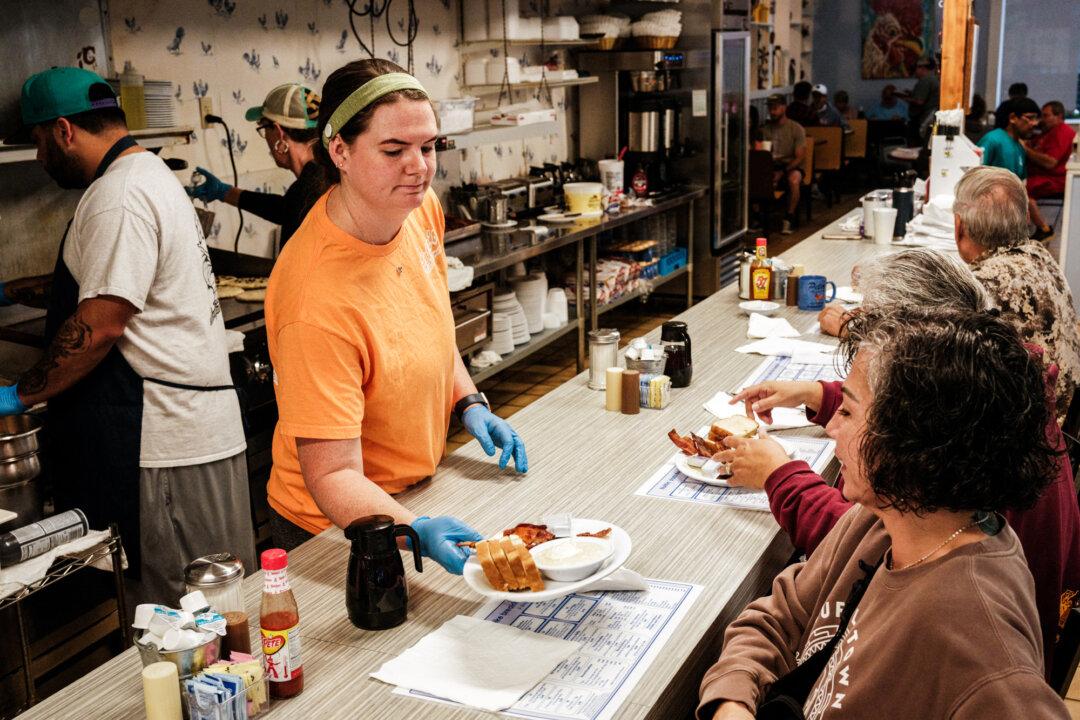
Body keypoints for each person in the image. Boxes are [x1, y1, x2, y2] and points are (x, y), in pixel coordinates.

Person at [724, 248, 1080, 679]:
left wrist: (780, 476)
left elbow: (848, 544)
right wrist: (823, 396)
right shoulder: (987, 411)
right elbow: (781, 615)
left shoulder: (969, 625)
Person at [0, 68, 254, 609]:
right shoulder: (150, 175)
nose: (41, 158)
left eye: (40, 142)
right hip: (194, 434)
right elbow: (124, 279)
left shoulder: (116, 196)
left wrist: (20, 395)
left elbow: (102, 321)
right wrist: (17, 290)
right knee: (223, 603)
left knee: (187, 612)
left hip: (165, 444)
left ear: (65, 131)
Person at [263, 59, 528, 572]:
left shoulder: (418, 207)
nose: (420, 167)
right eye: (394, 150)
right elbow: (333, 475)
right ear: (338, 149)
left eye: (428, 147)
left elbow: (427, 325)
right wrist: (413, 531)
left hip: (417, 489)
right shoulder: (314, 297)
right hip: (335, 526)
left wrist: (468, 400)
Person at [956, 166, 1080, 420]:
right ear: (1024, 217)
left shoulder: (982, 286)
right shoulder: (1038, 254)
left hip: (1032, 440)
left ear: (959, 228)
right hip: (1065, 423)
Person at [187, 83, 330, 250]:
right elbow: (285, 209)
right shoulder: (322, 175)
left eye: (263, 127)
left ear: (278, 132)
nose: (265, 137)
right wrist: (225, 192)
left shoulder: (308, 190)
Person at [1026, 100, 1077, 240]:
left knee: (1020, 188)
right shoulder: (1048, 131)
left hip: (1055, 179)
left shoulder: (1063, 132)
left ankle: (1044, 228)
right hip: (1043, 175)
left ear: (1059, 116)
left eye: (1046, 115)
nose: (1042, 119)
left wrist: (1025, 149)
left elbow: (1050, 162)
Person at [761, 94, 807, 236]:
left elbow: (800, 157)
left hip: (790, 166)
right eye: (770, 108)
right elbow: (763, 153)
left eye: (775, 108)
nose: (772, 112)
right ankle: (758, 216)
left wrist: (783, 171)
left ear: (783, 108)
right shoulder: (766, 129)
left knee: (794, 179)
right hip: (771, 165)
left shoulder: (796, 128)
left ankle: (789, 216)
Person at [978, 97, 1040, 179]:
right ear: (1013, 118)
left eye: (1036, 118)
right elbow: (975, 174)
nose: (1035, 123)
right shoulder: (993, 140)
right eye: (1030, 118)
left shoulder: (1020, 147)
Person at [895, 57, 939, 140]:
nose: (915, 71)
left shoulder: (925, 80)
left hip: (924, 119)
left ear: (922, 68)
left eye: (915, 68)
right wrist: (911, 93)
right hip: (931, 118)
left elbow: (919, 101)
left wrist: (901, 96)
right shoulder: (934, 78)